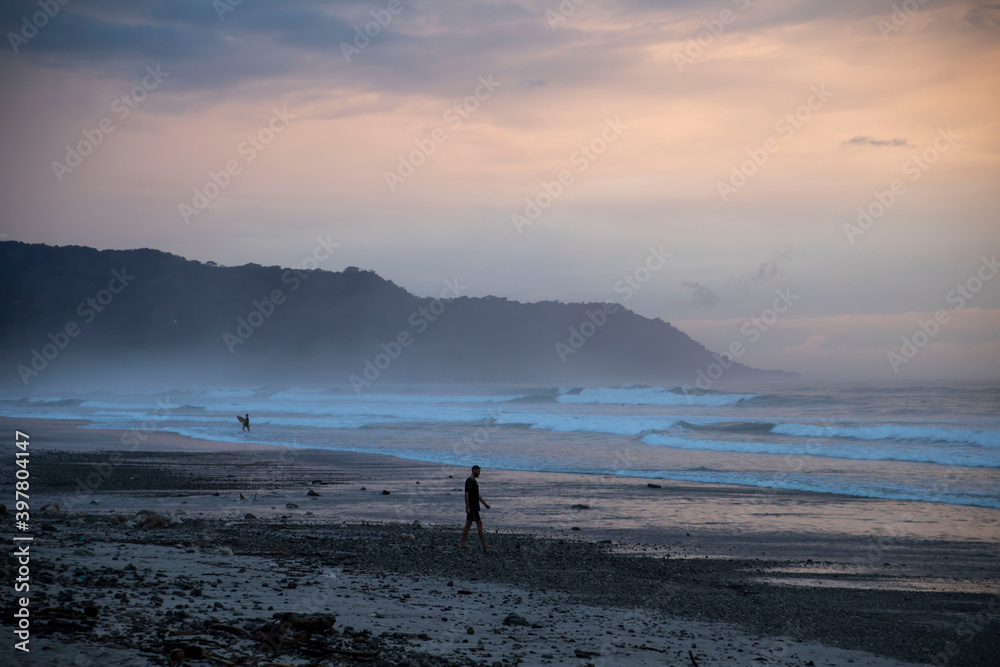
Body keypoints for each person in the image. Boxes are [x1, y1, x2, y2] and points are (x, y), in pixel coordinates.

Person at [459, 465, 492, 550]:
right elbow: (466, 494)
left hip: (475, 506)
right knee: (479, 523)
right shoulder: (469, 481)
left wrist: (485, 504)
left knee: (468, 524)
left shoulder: (474, 481)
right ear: (474, 470)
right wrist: (467, 507)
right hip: (472, 507)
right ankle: (484, 544)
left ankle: (462, 543)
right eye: (479, 471)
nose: (479, 473)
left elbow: (477, 494)